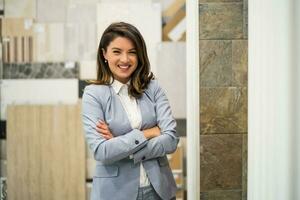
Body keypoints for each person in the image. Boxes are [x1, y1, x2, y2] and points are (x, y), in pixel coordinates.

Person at [82, 22, 179, 200]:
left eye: (132, 52)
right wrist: (148, 133)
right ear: (104, 54)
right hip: (114, 193)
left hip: (159, 191)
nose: (125, 59)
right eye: (117, 52)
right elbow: (102, 151)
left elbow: (171, 140)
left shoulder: (153, 87)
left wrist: (121, 144)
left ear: (140, 55)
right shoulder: (93, 94)